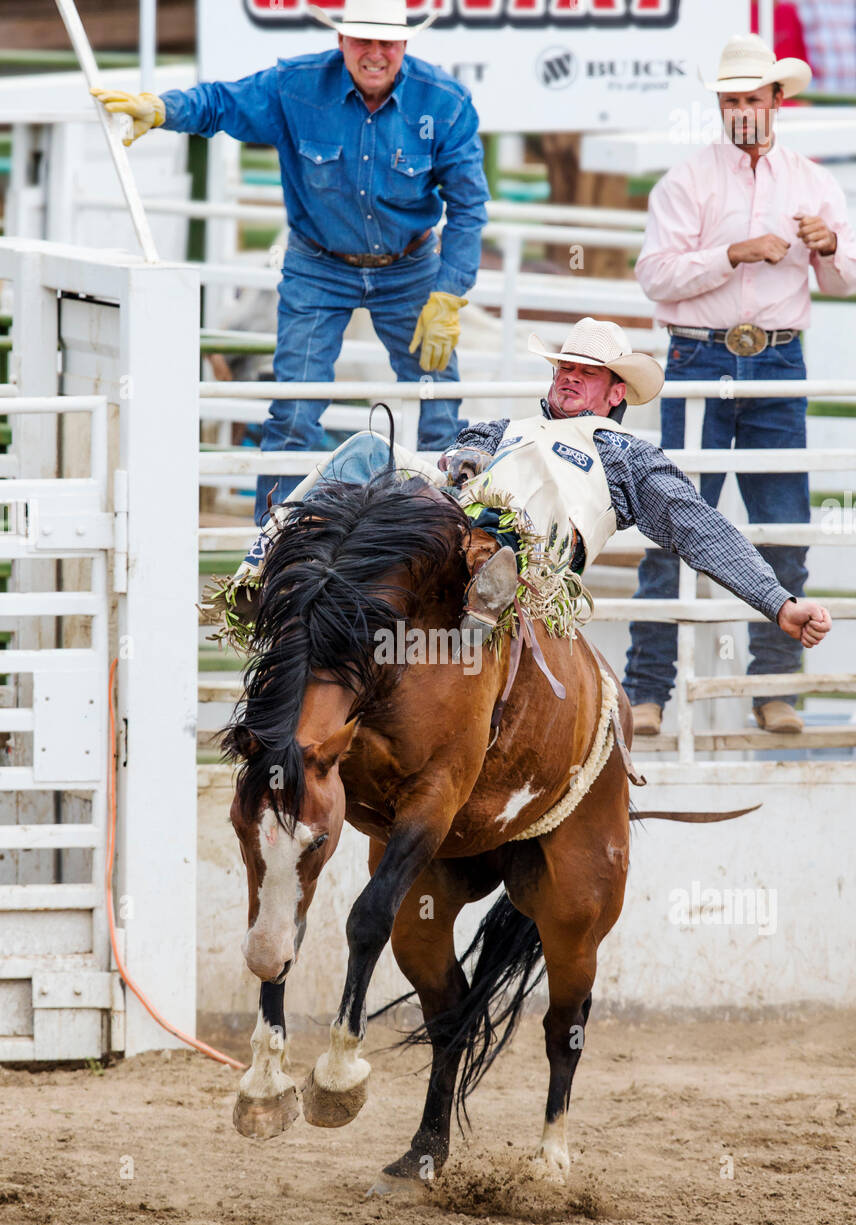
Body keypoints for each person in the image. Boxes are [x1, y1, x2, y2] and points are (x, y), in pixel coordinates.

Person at [92, 0, 489, 526]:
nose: (374, 53)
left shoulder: (446, 102)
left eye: (386, 42)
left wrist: (448, 293)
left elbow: (469, 206)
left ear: (404, 45)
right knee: (295, 408)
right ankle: (270, 549)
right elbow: (221, 103)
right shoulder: (296, 86)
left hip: (409, 267)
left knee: (438, 404)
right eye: (362, 41)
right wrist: (165, 109)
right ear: (341, 42)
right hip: (319, 264)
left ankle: (448, 537)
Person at [232, 318, 831, 660]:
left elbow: (699, 528)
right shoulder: (499, 429)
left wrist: (777, 601)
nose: (569, 377)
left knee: (533, 489)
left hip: (536, 557)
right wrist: (462, 464)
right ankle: (261, 577)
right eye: (563, 367)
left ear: (614, 393)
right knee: (364, 448)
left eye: (586, 372)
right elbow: (455, 455)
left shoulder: (629, 458)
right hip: (441, 516)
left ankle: (490, 584)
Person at [623, 33, 856, 736]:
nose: (742, 111)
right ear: (721, 105)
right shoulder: (688, 180)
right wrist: (735, 253)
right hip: (700, 358)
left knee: (783, 528)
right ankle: (651, 689)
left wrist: (832, 247)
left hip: (774, 359)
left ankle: (772, 687)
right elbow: (654, 276)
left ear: (775, 101)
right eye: (732, 101)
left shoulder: (814, 184)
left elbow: (845, 281)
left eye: (752, 99)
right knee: (671, 527)